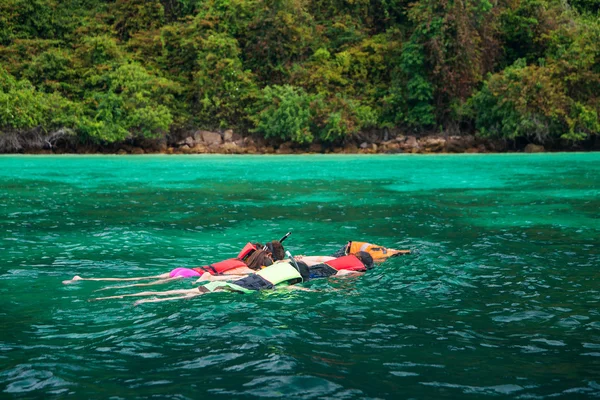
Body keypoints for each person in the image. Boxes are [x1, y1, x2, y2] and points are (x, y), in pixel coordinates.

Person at [91, 252, 375, 305]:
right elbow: (289, 289)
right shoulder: (274, 281)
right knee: (185, 294)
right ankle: (138, 298)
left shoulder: (256, 270)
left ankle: (120, 293)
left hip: (199, 274)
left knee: (152, 283)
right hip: (235, 288)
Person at [62, 240, 286, 288]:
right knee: (138, 287)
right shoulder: (244, 269)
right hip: (188, 277)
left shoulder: (240, 258)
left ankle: (85, 279)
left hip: (184, 269)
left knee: (134, 280)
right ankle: (103, 288)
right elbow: (221, 278)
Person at [330, 241, 410, 263]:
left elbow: (398, 251)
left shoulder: (390, 251)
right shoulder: (380, 256)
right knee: (331, 261)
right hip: (348, 250)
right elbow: (370, 261)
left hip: (352, 246)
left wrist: (409, 252)